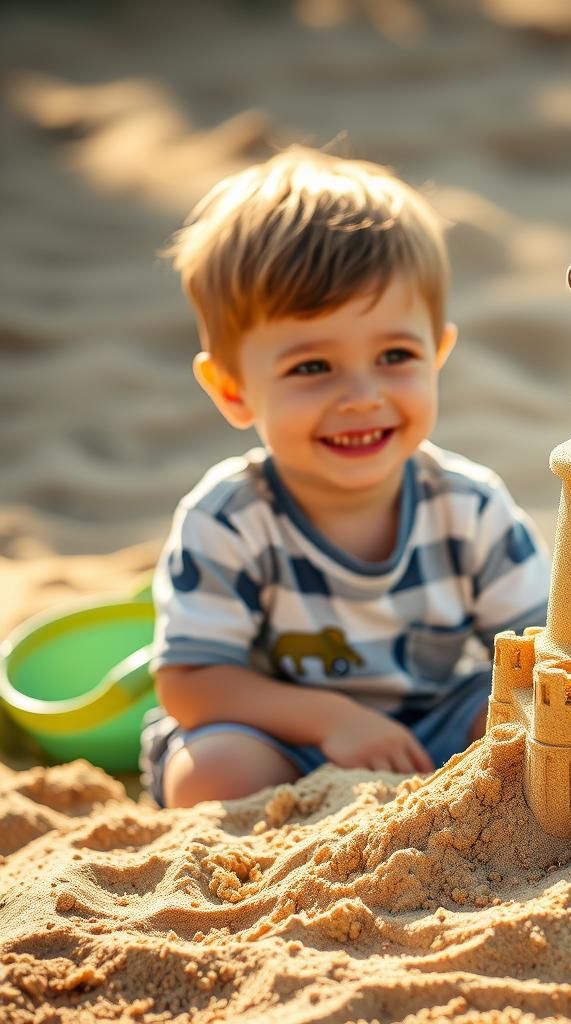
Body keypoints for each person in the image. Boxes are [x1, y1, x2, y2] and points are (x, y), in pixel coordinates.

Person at [139, 147, 550, 808]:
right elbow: (191, 682)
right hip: (282, 735)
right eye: (312, 367)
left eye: (395, 356)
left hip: (434, 721)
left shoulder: (469, 507)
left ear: (437, 355)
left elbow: (541, 649)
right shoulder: (227, 518)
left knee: (541, 727)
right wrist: (334, 721)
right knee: (213, 771)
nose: (362, 396)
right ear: (233, 389)